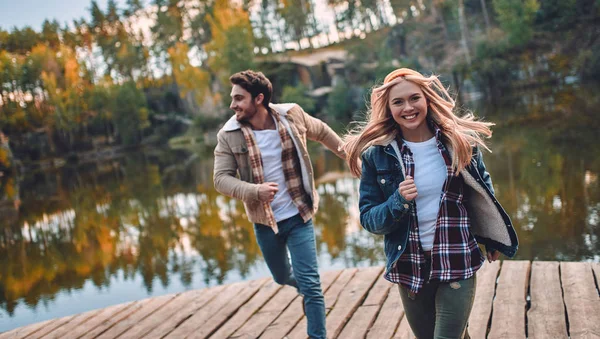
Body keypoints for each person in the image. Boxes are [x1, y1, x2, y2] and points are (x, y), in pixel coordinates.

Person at [342, 68, 518, 339]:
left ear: (427, 100)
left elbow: (483, 190)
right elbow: (368, 218)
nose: (408, 107)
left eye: (414, 98)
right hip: (410, 265)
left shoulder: (459, 143)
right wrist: (397, 201)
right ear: (388, 109)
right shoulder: (377, 157)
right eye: (398, 102)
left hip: (456, 256)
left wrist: (492, 237)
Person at [213, 70, 346, 339]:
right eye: (233, 99)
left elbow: (321, 131)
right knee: (281, 276)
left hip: (299, 214)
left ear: (258, 98)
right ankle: (304, 290)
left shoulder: (291, 116)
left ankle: (316, 329)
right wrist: (253, 191)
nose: (233, 105)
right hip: (265, 223)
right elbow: (220, 180)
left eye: (239, 98)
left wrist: (349, 155)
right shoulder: (229, 135)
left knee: (311, 284)